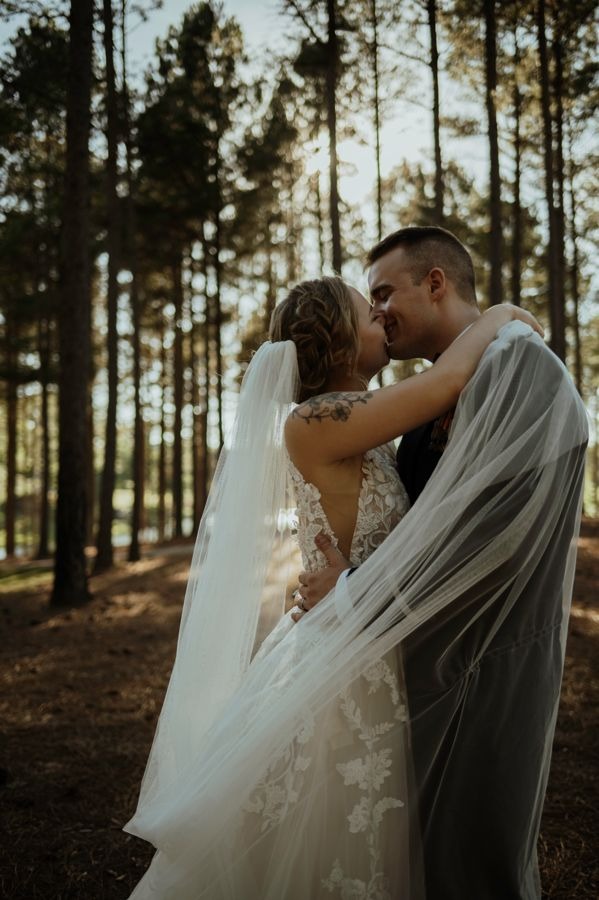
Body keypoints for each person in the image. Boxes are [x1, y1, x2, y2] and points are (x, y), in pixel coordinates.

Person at [123, 267, 546, 899]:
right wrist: (501, 314)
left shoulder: (364, 422)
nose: (381, 317)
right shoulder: (313, 421)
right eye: (366, 311)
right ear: (339, 341)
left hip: (366, 633)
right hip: (347, 668)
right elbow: (447, 378)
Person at [292, 226, 589, 899]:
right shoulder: (432, 393)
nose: (378, 312)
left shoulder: (521, 367)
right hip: (412, 657)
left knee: (471, 852)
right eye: (367, 303)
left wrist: (353, 589)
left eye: (384, 293)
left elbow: (489, 534)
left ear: (434, 283)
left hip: (485, 660)